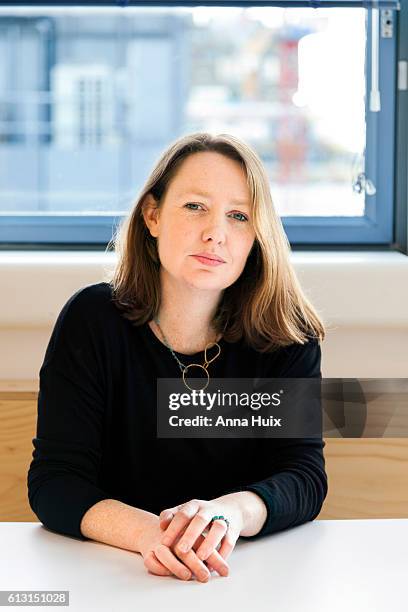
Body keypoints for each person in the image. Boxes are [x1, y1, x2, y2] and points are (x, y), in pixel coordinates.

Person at [27, 132, 328, 584]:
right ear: (152, 215)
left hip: (242, 576)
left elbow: (303, 476)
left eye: (238, 216)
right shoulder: (92, 321)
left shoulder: (286, 334)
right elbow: (56, 482)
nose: (215, 233)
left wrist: (226, 515)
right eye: (195, 207)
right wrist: (157, 536)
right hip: (113, 574)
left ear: (256, 237)